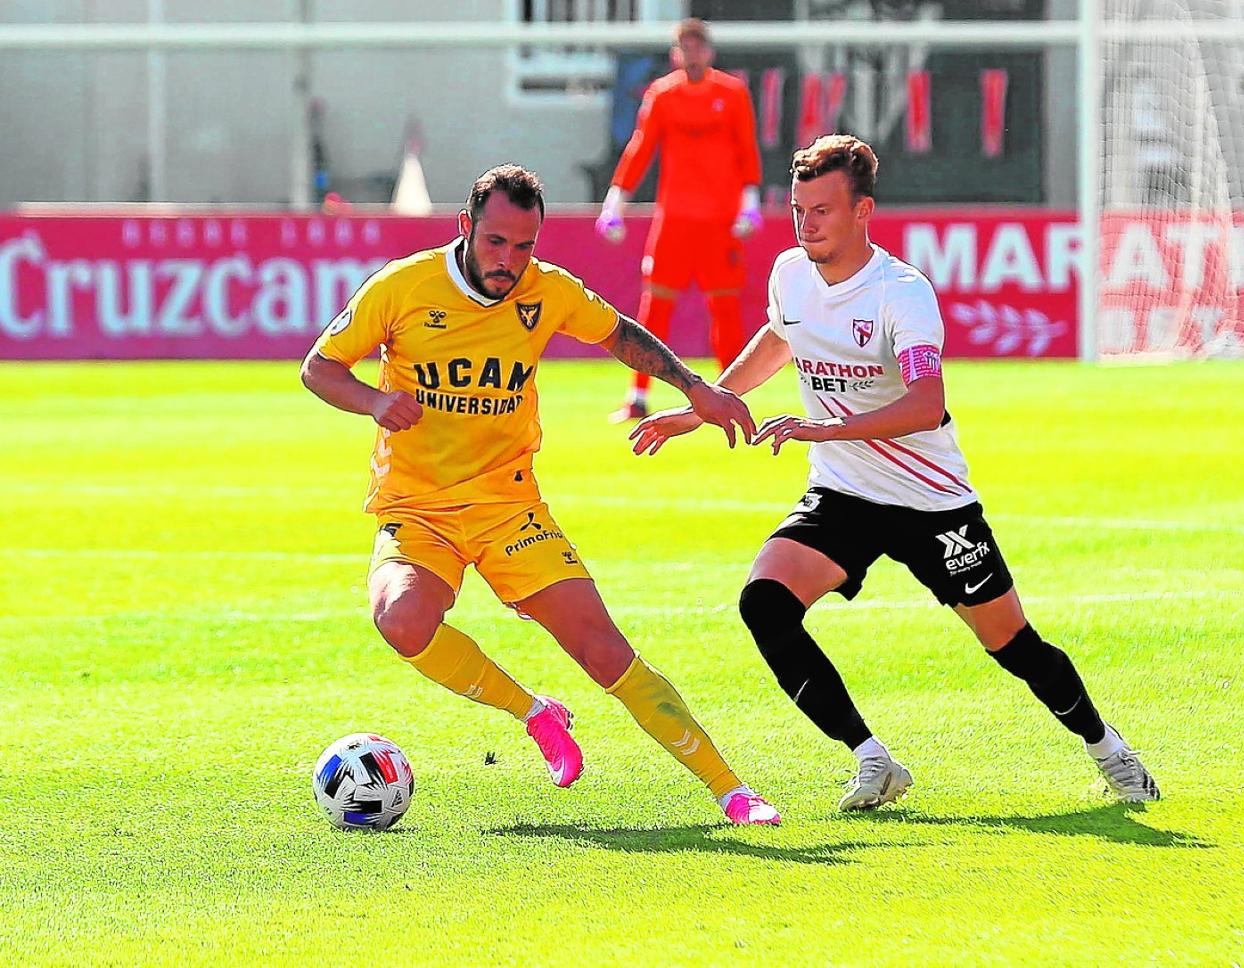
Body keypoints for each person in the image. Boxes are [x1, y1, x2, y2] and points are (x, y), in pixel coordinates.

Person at [628, 135, 1160, 809]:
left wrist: (828, 427)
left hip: (932, 503)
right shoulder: (790, 273)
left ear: (862, 211)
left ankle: (1105, 745)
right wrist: (705, 406)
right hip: (843, 493)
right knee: (764, 603)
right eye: (798, 209)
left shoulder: (902, 294)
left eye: (822, 209)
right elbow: (780, 335)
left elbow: (925, 403)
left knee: (1012, 644)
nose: (807, 223)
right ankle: (872, 758)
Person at [300, 164, 779, 826]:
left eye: (525, 246)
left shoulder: (545, 291)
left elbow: (619, 334)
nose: (509, 261)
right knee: (402, 620)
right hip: (419, 508)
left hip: (509, 508)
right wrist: (376, 401)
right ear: (466, 227)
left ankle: (733, 791)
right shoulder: (404, 287)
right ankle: (535, 712)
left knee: (606, 652)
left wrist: (694, 387)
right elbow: (318, 368)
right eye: (496, 242)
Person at [596, 17, 763, 423]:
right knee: (655, 311)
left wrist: (749, 200)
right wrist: (615, 199)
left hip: (720, 220)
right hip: (673, 220)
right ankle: (638, 395)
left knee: (725, 308)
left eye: (698, 46)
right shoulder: (663, 95)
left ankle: (731, 393)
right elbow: (641, 148)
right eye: (685, 47)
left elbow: (746, 146)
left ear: (709, 51)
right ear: (676, 53)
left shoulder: (731, 92)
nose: (692, 54)